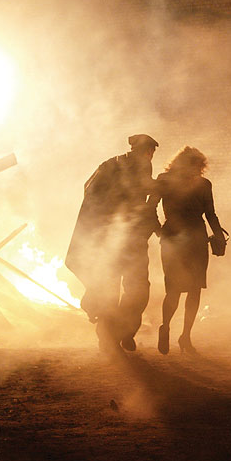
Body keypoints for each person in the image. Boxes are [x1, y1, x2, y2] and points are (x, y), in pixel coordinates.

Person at [66, 134, 160, 355]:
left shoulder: (108, 165)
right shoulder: (142, 165)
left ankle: (109, 336)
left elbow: (88, 190)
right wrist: (161, 188)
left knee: (109, 289)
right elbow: (141, 196)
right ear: (148, 152)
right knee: (138, 290)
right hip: (130, 240)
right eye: (151, 153)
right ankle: (122, 332)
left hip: (107, 241)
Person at [149, 146, 226, 354]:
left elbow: (149, 208)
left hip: (177, 238)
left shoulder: (167, 180)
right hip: (190, 238)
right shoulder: (198, 184)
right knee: (184, 290)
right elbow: (210, 215)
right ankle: (177, 333)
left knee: (186, 289)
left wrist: (159, 230)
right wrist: (219, 236)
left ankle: (178, 333)